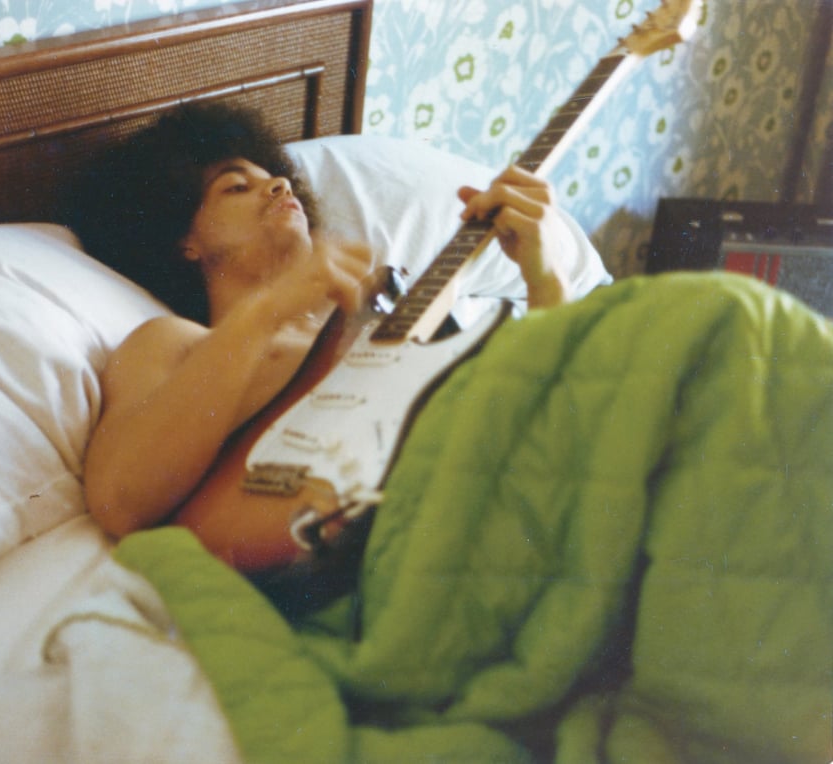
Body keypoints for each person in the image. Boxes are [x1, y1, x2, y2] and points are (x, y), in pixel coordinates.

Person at [73, 103, 582, 540]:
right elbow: (120, 501)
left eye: (274, 176)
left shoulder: (375, 310)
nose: (276, 184)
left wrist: (544, 275)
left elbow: (531, 410)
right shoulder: (174, 341)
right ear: (184, 239)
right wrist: (265, 312)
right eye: (236, 187)